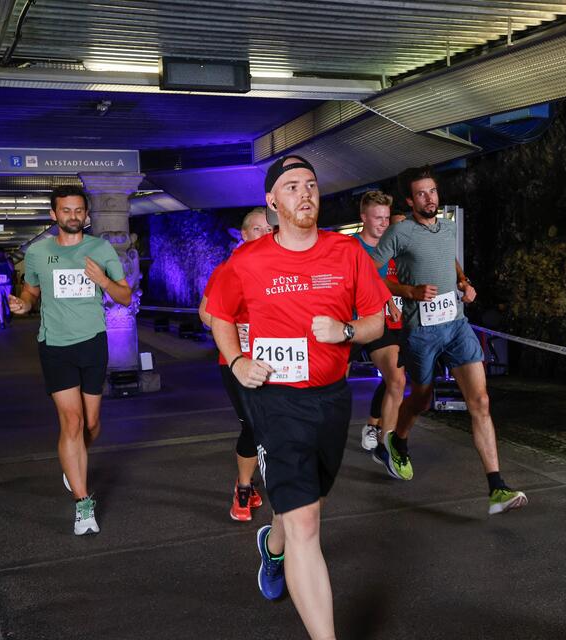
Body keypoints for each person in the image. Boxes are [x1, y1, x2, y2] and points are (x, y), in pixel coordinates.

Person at [207, 155, 387, 639]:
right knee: (307, 522)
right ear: (271, 201)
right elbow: (219, 313)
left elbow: (377, 318)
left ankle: (273, 543)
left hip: (331, 398)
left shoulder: (346, 253)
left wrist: (346, 330)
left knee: (308, 506)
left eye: (310, 185)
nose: (304, 193)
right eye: (291, 187)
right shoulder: (246, 261)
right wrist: (238, 360)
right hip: (274, 399)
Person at [369, 166, 528, 516]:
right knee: (422, 399)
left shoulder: (448, 227)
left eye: (433, 191)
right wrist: (407, 290)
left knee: (481, 401)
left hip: (456, 325)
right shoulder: (399, 233)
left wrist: (463, 282)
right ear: (411, 201)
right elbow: (372, 274)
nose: (430, 198)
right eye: (422, 194)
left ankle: (497, 486)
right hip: (420, 332)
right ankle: (398, 438)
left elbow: (450, 260)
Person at [8, 185, 132, 536]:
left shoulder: (101, 248)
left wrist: (103, 280)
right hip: (55, 346)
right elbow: (31, 291)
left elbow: (124, 296)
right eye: (66, 210)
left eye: (79, 210)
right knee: (73, 423)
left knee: (92, 425)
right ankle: (83, 503)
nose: (73, 216)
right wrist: (24, 304)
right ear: (54, 214)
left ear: (86, 215)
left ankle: (72, 460)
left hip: (92, 343)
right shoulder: (37, 252)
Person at [198, 207, 272, 521]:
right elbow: (205, 314)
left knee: (278, 423)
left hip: (276, 358)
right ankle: (243, 486)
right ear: (244, 235)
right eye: (258, 229)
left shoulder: (284, 268)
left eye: (270, 230)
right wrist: (235, 331)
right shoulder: (230, 269)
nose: (265, 235)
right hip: (237, 360)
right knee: (253, 425)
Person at [349, 190, 406, 451]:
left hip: (378, 321)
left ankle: (385, 443)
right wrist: (389, 299)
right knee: (335, 387)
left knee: (396, 377)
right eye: (377, 218)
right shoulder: (349, 247)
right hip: (348, 324)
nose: (384, 223)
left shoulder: (392, 246)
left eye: (386, 217)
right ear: (363, 217)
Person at [0, 250, 15, 329]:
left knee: (7, 301)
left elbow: (12, 269)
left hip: (7, 284)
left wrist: (8, 258)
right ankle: (1, 322)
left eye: (1, 253)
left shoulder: (9, 259)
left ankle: (8, 314)